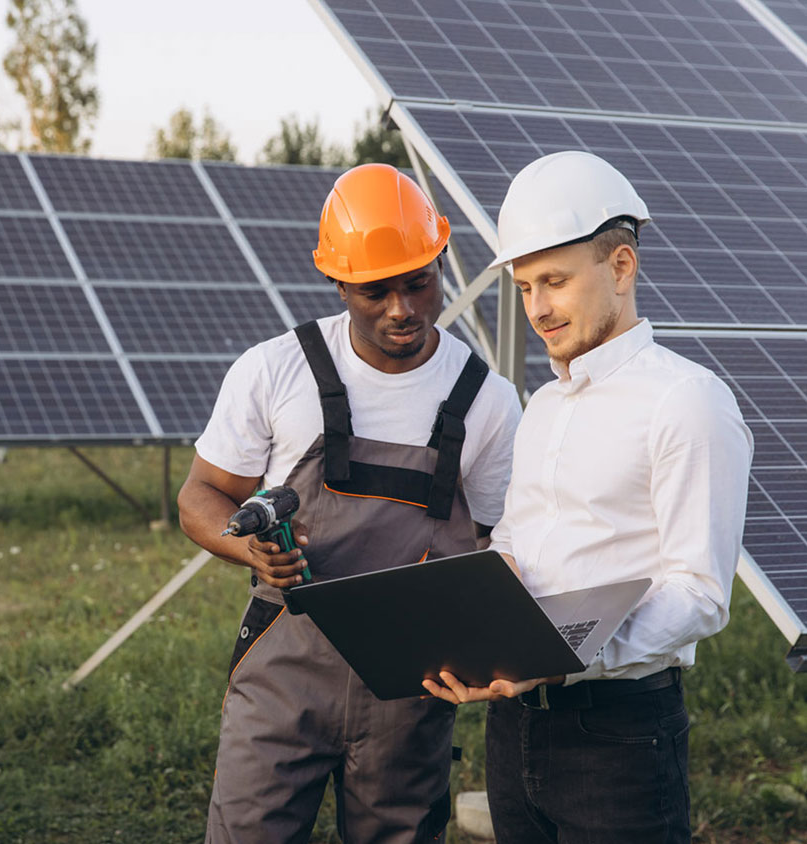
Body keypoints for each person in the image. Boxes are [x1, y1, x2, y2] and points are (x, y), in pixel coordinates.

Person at [177, 162, 522, 843]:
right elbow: (201, 495)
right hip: (284, 668)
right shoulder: (275, 371)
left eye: (419, 282)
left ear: (441, 260)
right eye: (374, 291)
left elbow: (493, 542)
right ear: (335, 282)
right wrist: (244, 545)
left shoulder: (487, 399)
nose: (402, 309)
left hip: (410, 679)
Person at [422, 151, 753, 844]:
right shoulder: (541, 404)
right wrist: (470, 619)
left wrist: (566, 654)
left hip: (619, 736)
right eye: (523, 287)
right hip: (512, 726)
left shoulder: (685, 403)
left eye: (555, 281)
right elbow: (515, 541)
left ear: (621, 267)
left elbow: (699, 593)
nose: (537, 308)